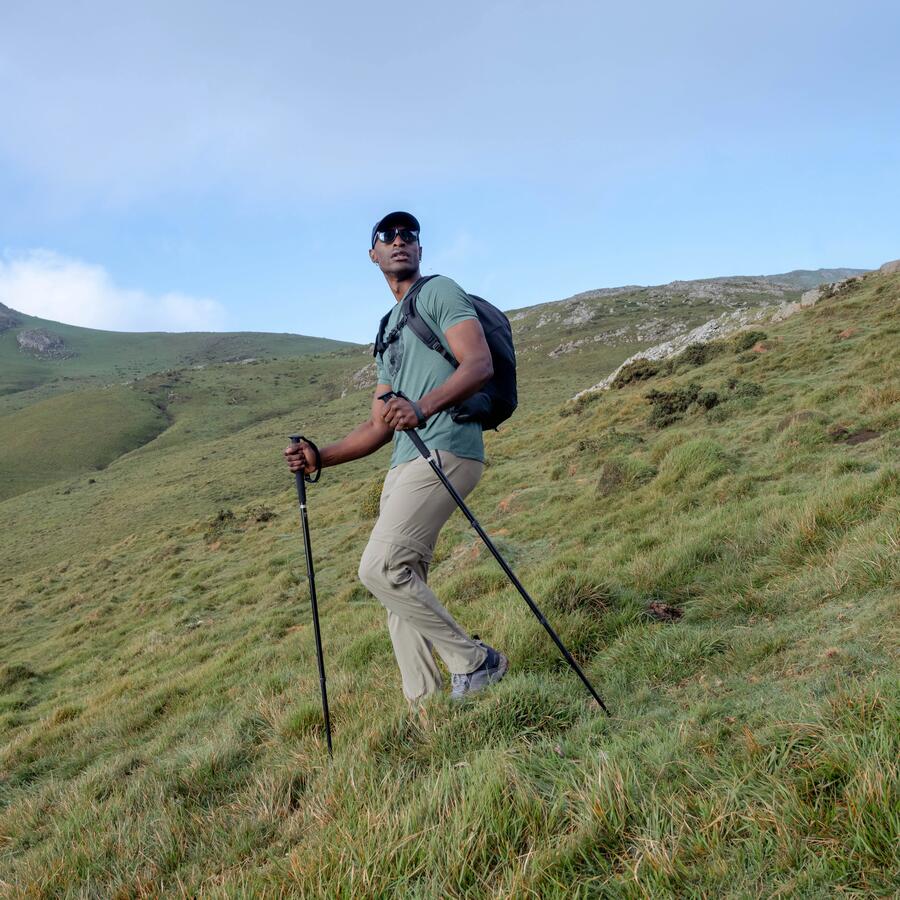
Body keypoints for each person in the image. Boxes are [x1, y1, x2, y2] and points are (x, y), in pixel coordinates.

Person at [284, 211, 508, 708]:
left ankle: (475, 662)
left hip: (447, 446)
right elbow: (378, 425)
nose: (399, 241)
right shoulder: (388, 328)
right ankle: (426, 708)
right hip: (404, 463)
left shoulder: (439, 292)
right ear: (374, 254)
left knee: (380, 569)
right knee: (401, 586)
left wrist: (424, 406)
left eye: (410, 235)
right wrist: (320, 456)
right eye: (387, 236)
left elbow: (478, 364)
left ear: (420, 251)